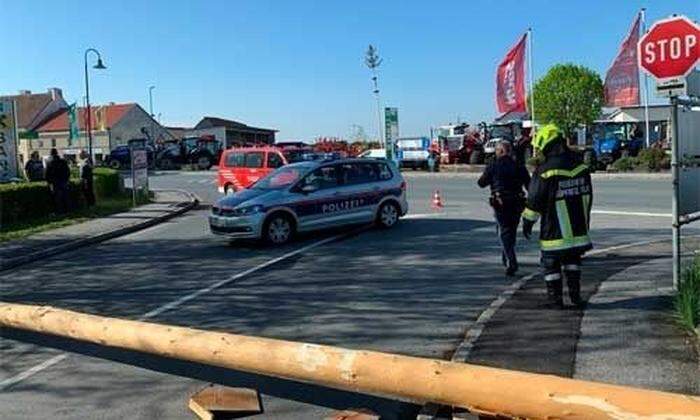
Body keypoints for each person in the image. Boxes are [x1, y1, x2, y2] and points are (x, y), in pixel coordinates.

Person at [521, 124, 593, 309]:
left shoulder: (545, 171)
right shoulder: (581, 167)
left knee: (551, 265)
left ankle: (556, 300)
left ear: (547, 145)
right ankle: (576, 297)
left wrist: (528, 222)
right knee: (573, 263)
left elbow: (534, 200)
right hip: (578, 230)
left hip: (555, 232)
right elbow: (588, 196)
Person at [478, 140, 530, 276]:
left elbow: (481, 183)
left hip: (501, 202)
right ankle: (506, 257)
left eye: (496, 151)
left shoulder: (494, 165)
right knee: (510, 231)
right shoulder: (519, 166)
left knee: (504, 231)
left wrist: (488, 173)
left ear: (500, 151)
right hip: (517, 202)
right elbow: (529, 185)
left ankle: (511, 261)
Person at [45, 148, 71, 214]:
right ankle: (68, 210)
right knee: (65, 196)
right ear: (57, 153)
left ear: (51, 154)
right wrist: (67, 179)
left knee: (57, 198)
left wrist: (49, 182)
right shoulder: (63, 161)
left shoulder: (49, 162)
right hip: (63, 181)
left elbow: (47, 174)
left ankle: (59, 211)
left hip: (55, 182)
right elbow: (67, 171)